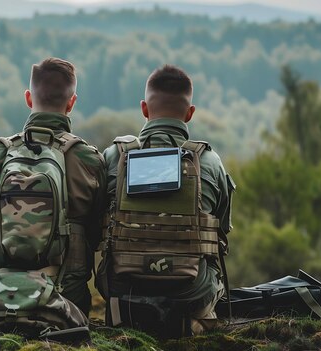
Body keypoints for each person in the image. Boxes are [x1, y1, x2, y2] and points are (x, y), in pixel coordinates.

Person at [97, 64, 235, 335]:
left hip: (123, 289)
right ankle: (195, 321)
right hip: (191, 293)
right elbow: (223, 228)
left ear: (144, 109)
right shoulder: (208, 161)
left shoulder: (114, 156)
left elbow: (94, 224)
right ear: (190, 113)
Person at [0, 57, 107, 316]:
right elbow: (97, 232)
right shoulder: (89, 159)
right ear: (72, 102)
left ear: (28, 98)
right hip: (66, 298)